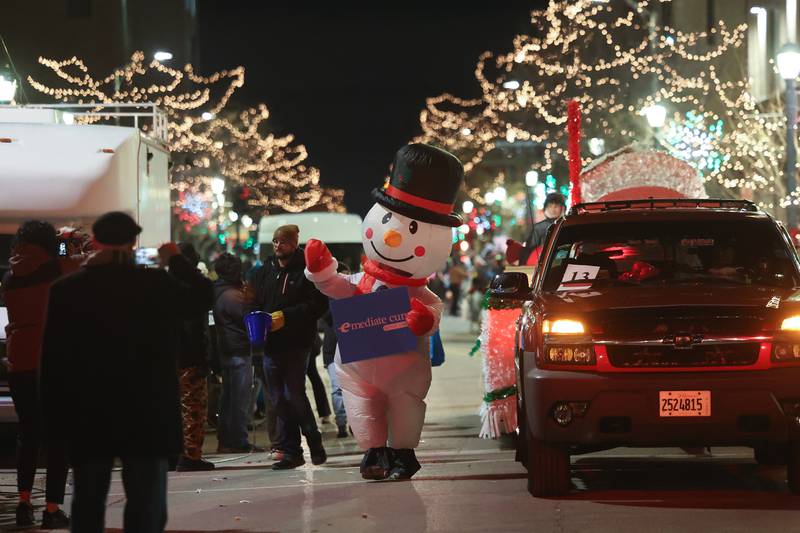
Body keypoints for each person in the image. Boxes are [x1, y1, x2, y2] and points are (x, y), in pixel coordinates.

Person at [39, 211, 212, 533]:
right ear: (133, 242)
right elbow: (202, 297)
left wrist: (53, 423)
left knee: (88, 504)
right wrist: (175, 259)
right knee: (146, 506)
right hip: (146, 412)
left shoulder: (67, 290)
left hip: (88, 412)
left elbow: (53, 361)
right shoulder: (156, 284)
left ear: (95, 242)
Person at [1, 221, 79, 528]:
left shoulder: (10, 277)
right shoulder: (57, 269)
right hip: (52, 359)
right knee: (58, 436)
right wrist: (65, 240)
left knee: (28, 434)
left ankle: (23, 505)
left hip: (19, 361)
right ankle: (51, 509)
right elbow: (74, 261)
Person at [248, 224, 329, 470]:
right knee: (277, 399)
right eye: (275, 241)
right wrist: (252, 314)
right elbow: (255, 299)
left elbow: (317, 305)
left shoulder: (306, 271)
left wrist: (287, 316)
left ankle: (313, 440)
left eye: (282, 241)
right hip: (270, 344)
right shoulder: (266, 270)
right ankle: (291, 450)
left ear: (293, 243)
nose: (277, 246)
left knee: (294, 394)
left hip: (297, 344)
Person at [212, 253, 263, 454]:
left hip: (228, 350)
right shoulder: (232, 295)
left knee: (229, 398)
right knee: (239, 399)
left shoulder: (220, 291)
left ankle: (226, 439)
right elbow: (248, 317)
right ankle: (238, 440)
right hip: (238, 351)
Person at [173, 242, 215, 472]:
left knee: (174, 409)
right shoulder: (194, 289)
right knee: (193, 408)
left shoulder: (165, 285)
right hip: (190, 357)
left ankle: (174, 454)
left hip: (168, 357)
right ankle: (190, 455)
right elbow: (194, 329)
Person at [506, 192, 567, 265]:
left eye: (556, 206)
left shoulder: (567, 224)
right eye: (550, 206)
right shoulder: (539, 227)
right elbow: (529, 249)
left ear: (562, 208)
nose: (553, 209)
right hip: (544, 264)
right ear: (545, 208)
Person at [307, 332, 333, 423]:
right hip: (308, 341)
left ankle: (306, 420)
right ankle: (325, 413)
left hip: (305, 343)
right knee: (314, 376)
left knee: (312, 377)